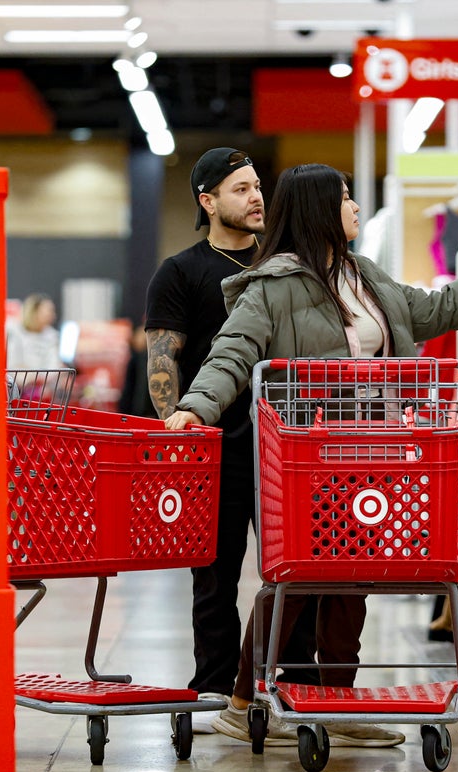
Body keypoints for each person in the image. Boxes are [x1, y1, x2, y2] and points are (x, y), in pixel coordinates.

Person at [165, 162, 458, 747]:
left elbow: (433, 309)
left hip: (375, 453)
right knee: (300, 576)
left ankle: (337, 701)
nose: (354, 207)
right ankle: (243, 699)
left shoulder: (363, 275)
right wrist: (196, 407)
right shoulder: (272, 286)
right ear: (319, 209)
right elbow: (231, 352)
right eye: (345, 198)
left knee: (356, 577)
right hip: (306, 459)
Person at [145, 147, 319, 741]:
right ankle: (215, 687)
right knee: (215, 577)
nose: (256, 197)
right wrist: (180, 437)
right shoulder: (181, 271)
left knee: (295, 572)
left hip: (285, 446)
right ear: (208, 200)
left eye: (257, 187)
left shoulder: (285, 267)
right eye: (240, 189)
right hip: (215, 448)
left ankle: (291, 682)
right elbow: (163, 361)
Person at [6, 293, 63, 370]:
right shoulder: (13, 330)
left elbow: (54, 366)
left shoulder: (52, 335)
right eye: (49, 311)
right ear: (34, 311)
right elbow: (13, 365)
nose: (53, 315)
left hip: (45, 377)